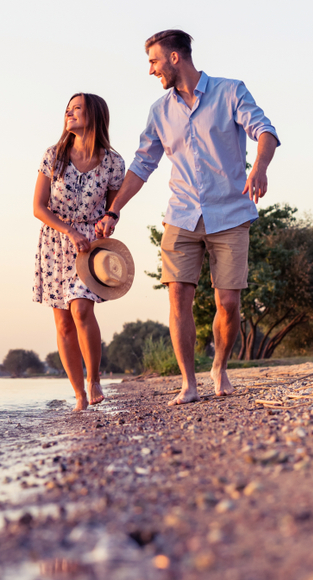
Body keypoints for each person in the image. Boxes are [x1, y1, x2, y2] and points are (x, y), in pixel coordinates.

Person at [96, 30, 280, 406]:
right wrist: (114, 209)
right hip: (181, 215)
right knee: (178, 295)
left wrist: (259, 167)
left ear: (175, 57)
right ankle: (189, 384)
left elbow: (265, 132)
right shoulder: (159, 112)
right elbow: (142, 165)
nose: (150, 70)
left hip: (229, 213)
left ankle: (220, 366)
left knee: (228, 302)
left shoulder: (230, 92)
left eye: (153, 61)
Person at [33, 93, 126, 411]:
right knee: (62, 323)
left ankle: (94, 379)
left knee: (82, 309)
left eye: (77, 108)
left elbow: (113, 208)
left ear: (95, 116)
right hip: (56, 241)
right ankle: (79, 395)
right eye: (67, 109)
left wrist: (108, 223)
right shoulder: (53, 155)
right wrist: (68, 231)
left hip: (89, 245)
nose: (69, 113)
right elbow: (38, 208)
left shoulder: (113, 162)